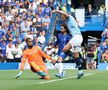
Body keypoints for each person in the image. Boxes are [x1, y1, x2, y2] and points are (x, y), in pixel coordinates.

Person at [52, 9, 84, 79]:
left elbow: (65, 14)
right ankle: (80, 70)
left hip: (76, 37)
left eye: (62, 16)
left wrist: (57, 10)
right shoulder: (69, 20)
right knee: (76, 55)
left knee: (64, 49)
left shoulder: (69, 17)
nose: (61, 17)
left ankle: (76, 59)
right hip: (80, 38)